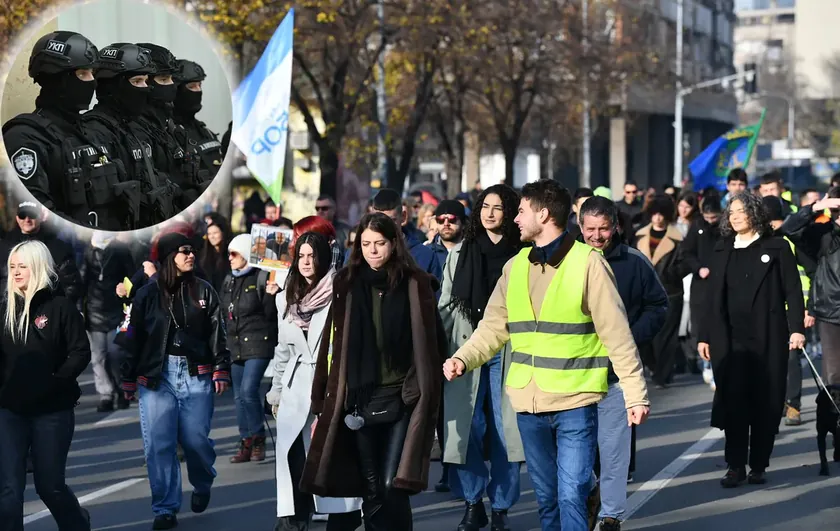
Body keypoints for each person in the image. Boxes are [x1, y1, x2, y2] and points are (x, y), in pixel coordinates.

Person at [443, 180, 650, 531]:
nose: (515, 219)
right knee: (548, 498)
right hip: (529, 404)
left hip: (576, 400)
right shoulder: (516, 265)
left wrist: (635, 394)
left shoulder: (589, 264)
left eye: (521, 211)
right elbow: (493, 327)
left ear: (543, 213)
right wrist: (464, 358)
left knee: (571, 493)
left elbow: (617, 335)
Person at [301, 212, 446, 531]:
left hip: (402, 398)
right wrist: (320, 404)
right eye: (366, 244)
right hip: (358, 399)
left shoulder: (415, 283)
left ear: (394, 244)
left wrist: (428, 389)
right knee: (371, 487)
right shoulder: (347, 283)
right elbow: (332, 345)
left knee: (392, 482)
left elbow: (434, 340)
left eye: (380, 243)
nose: (373, 250)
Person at [120, 233, 231, 530]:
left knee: (196, 441)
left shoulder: (204, 291)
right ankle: (165, 508)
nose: (191, 255)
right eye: (184, 251)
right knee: (159, 444)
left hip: (196, 373)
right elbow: (134, 337)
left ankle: (203, 481)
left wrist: (221, 367)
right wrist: (128, 376)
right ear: (169, 256)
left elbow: (218, 331)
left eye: (192, 250)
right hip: (156, 376)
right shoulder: (146, 294)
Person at [697, 192, 805, 488]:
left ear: (754, 213)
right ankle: (735, 465)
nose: (734, 216)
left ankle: (758, 463)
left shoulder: (778, 247)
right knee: (733, 402)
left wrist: (796, 328)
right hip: (729, 339)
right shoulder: (722, 249)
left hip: (768, 335)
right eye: (730, 212)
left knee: (765, 402)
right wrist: (704, 336)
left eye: (740, 211)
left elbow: (793, 292)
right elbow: (710, 298)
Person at [578, 197, 668, 530]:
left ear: (616, 225)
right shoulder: (568, 260)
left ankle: (611, 514)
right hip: (573, 374)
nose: (598, 236)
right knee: (575, 452)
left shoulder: (633, 261)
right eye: (590, 229)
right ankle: (588, 495)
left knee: (614, 451)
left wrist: (627, 336)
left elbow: (658, 306)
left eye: (604, 229)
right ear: (580, 226)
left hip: (616, 375)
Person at [439, 184, 525, 531]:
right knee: (465, 430)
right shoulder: (459, 254)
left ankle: (501, 507)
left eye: (499, 207)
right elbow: (446, 306)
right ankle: (473, 502)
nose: (490, 213)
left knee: (507, 433)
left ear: (511, 213)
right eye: (485, 206)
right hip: (466, 350)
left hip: (509, 350)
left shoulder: (524, 255)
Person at [266, 232, 362, 531]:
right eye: (302, 256)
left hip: (330, 384)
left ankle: (340, 516)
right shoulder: (286, 295)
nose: (306, 262)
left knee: (326, 454)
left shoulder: (340, 290)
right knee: (292, 456)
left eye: (312, 256)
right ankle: (293, 520)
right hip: (295, 386)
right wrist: (276, 392)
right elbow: (283, 348)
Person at [1, 31, 141, 231]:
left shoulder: (91, 132)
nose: (92, 82)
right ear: (57, 78)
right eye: (83, 74)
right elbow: (36, 214)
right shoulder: (25, 137)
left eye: (93, 73)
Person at [0, 241, 92, 531]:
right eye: (12, 266)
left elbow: (80, 351)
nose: (15, 272)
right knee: (9, 491)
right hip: (9, 411)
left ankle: (78, 525)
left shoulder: (60, 307)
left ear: (38, 267)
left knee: (49, 486)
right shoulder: (4, 309)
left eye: (22, 266)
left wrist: (57, 381)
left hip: (52, 411)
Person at [81, 42, 177, 227]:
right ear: (113, 85)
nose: (145, 88)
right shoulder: (93, 131)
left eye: (146, 81)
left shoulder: (138, 127)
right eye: (136, 82)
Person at [221, 234, 276, 464]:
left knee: (248, 391)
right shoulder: (228, 280)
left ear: (245, 254)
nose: (230, 259)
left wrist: (274, 295)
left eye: (234, 254)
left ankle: (258, 437)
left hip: (258, 342)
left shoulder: (261, 277)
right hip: (235, 345)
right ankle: (245, 441)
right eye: (228, 254)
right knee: (237, 396)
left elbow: (271, 316)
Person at [781, 188, 840, 396]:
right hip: (830, 312)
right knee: (833, 375)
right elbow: (788, 228)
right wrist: (816, 208)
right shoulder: (823, 235)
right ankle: (834, 420)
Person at [135, 42, 208, 208]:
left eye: (172, 79)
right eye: (163, 79)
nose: (171, 86)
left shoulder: (171, 128)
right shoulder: (135, 131)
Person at [633, 194, 685, 388]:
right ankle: (654, 366)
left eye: (661, 214)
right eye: (654, 214)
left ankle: (663, 374)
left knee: (667, 337)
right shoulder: (639, 235)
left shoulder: (678, 238)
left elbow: (685, 261)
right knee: (645, 336)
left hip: (670, 291)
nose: (657, 218)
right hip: (644, 293)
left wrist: (673, 272)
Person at [81, 232, 136, 412]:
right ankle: (106, 394)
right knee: (98, 356)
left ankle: (122, 390)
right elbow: (82, 279)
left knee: (115, 353)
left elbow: (132, 277)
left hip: (117, 309)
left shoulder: (120, 250)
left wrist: (126, 290)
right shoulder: (89, 251)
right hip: (94, 309)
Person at [0, 202, 83, 305]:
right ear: (17, 218)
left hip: (45, 312)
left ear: (41, 216)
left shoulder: (56, 246)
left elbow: (71, 284)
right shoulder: (5, 246)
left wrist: (56, 310)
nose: (27, 219)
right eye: (22, 215)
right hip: (11, 309)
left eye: (32, 215)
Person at [681, 199, 723, 389]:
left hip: (721, 283)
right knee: (700, 324)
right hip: (701, 285)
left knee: (718, 324)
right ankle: (706, 362)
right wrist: (698, 268)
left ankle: (716, 367)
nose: (711, 221)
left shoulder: (725, 227)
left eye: (714, 217)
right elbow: (686, 252)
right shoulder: (696, 226)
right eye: (708, 217)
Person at [370, 189, 443, 280]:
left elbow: (436, 293)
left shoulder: (424, 255)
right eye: (380, 221)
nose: (386, 227)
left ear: (403, 217)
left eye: (392, 221)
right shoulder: (359, 254)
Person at [172, 59, 224, 181]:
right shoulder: (169, 135)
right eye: (192, 86)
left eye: (199, 85)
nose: (198, 91)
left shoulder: (206, 132)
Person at [198, 214, 232, 293]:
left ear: (223, 233)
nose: (212, 236)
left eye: (215, 233)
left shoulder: (230, 254)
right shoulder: (203, 255)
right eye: (209, 234)